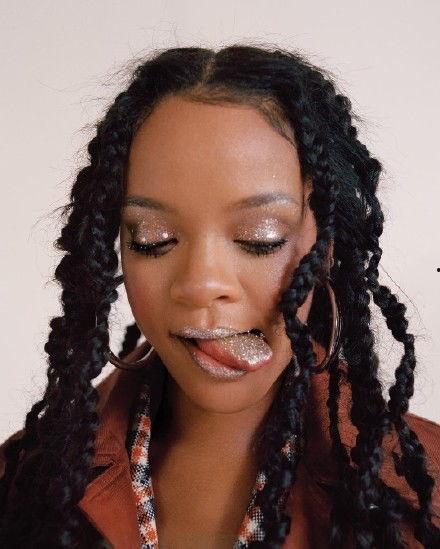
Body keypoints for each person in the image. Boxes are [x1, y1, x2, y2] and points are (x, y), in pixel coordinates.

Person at [0, 44, 439, 549]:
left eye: (259, 237)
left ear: (325, 246)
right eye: (154, 239)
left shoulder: (423, 495)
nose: (202, 283)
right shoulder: (23, 484)